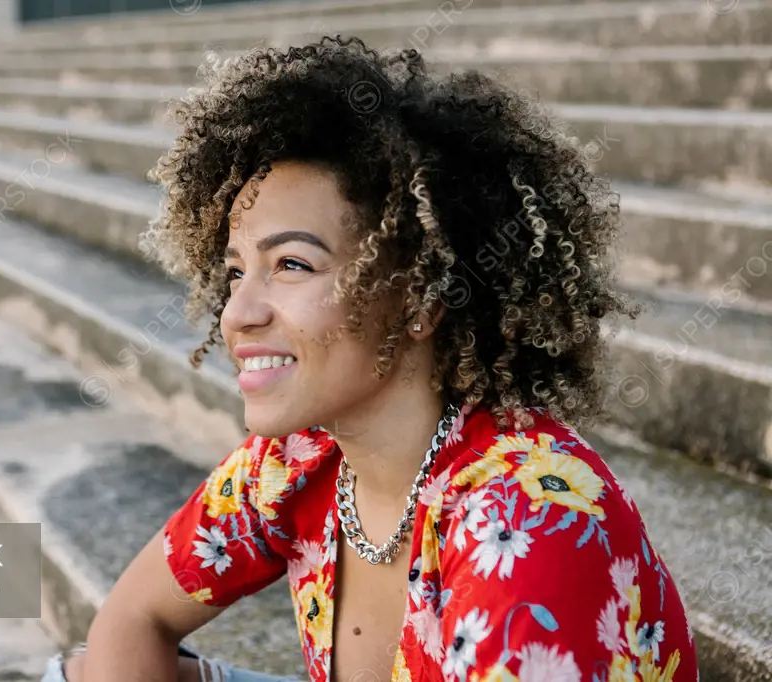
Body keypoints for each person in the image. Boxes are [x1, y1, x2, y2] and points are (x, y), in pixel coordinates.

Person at [42, 35, 700, 682]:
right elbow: (132, 621)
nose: (237, 313)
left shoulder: (526, 519)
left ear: (420, 299)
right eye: (237, 271)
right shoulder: (301, 457)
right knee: (80, 673)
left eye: (292, 264)